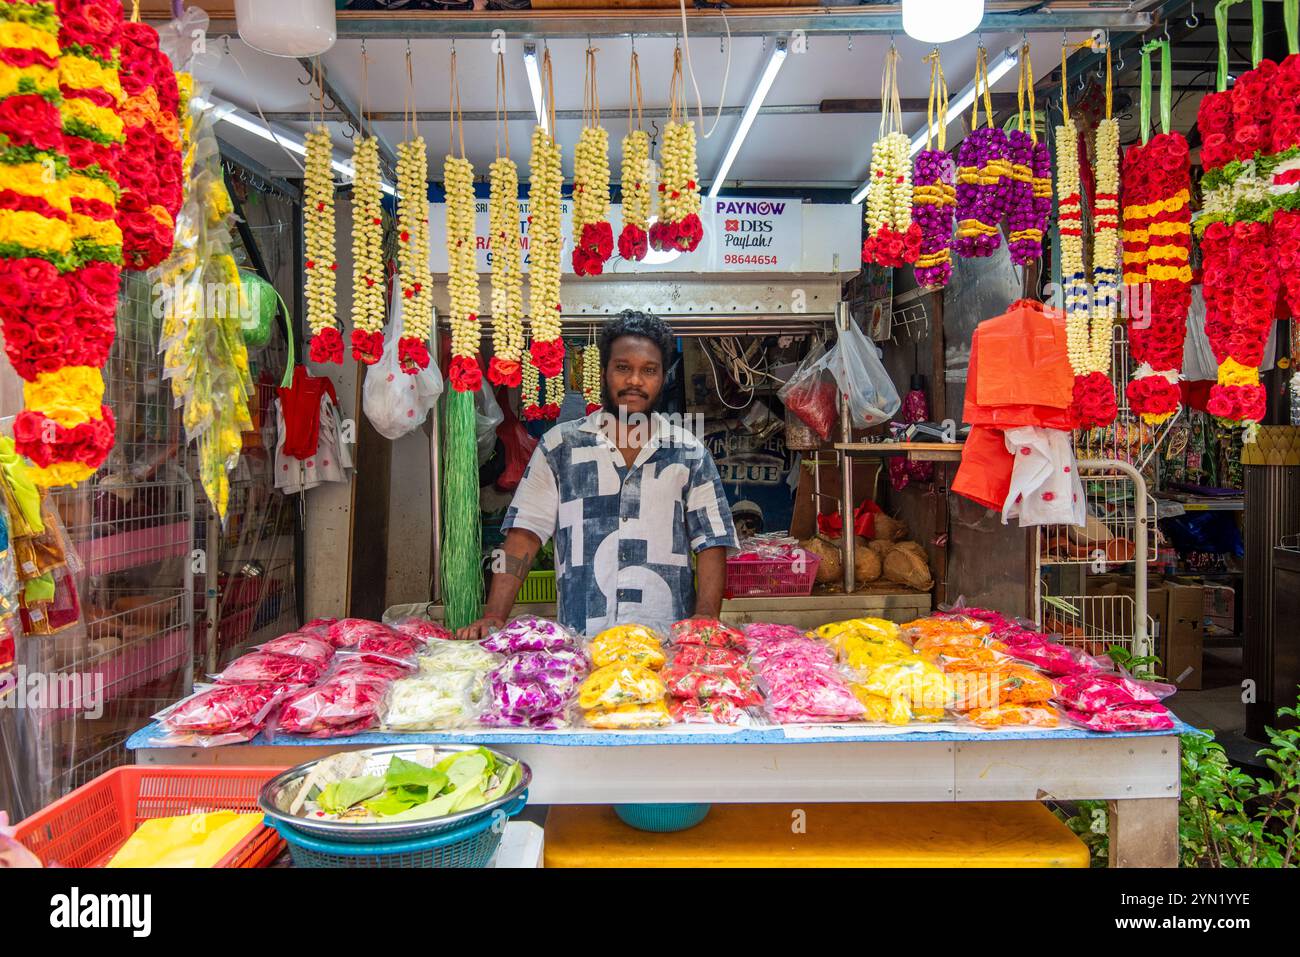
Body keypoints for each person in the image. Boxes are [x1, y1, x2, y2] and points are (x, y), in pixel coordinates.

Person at [457, 310, 738, 638]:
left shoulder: (689, 452)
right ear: (603, 372)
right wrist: (493, 615)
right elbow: (524, 537)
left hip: (665, 647)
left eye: (649, 370)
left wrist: (705, 618)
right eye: (623, 368)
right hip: (581, 646)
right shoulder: (559, 447)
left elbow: (712, 543)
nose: (635, 380)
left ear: (663, 377)